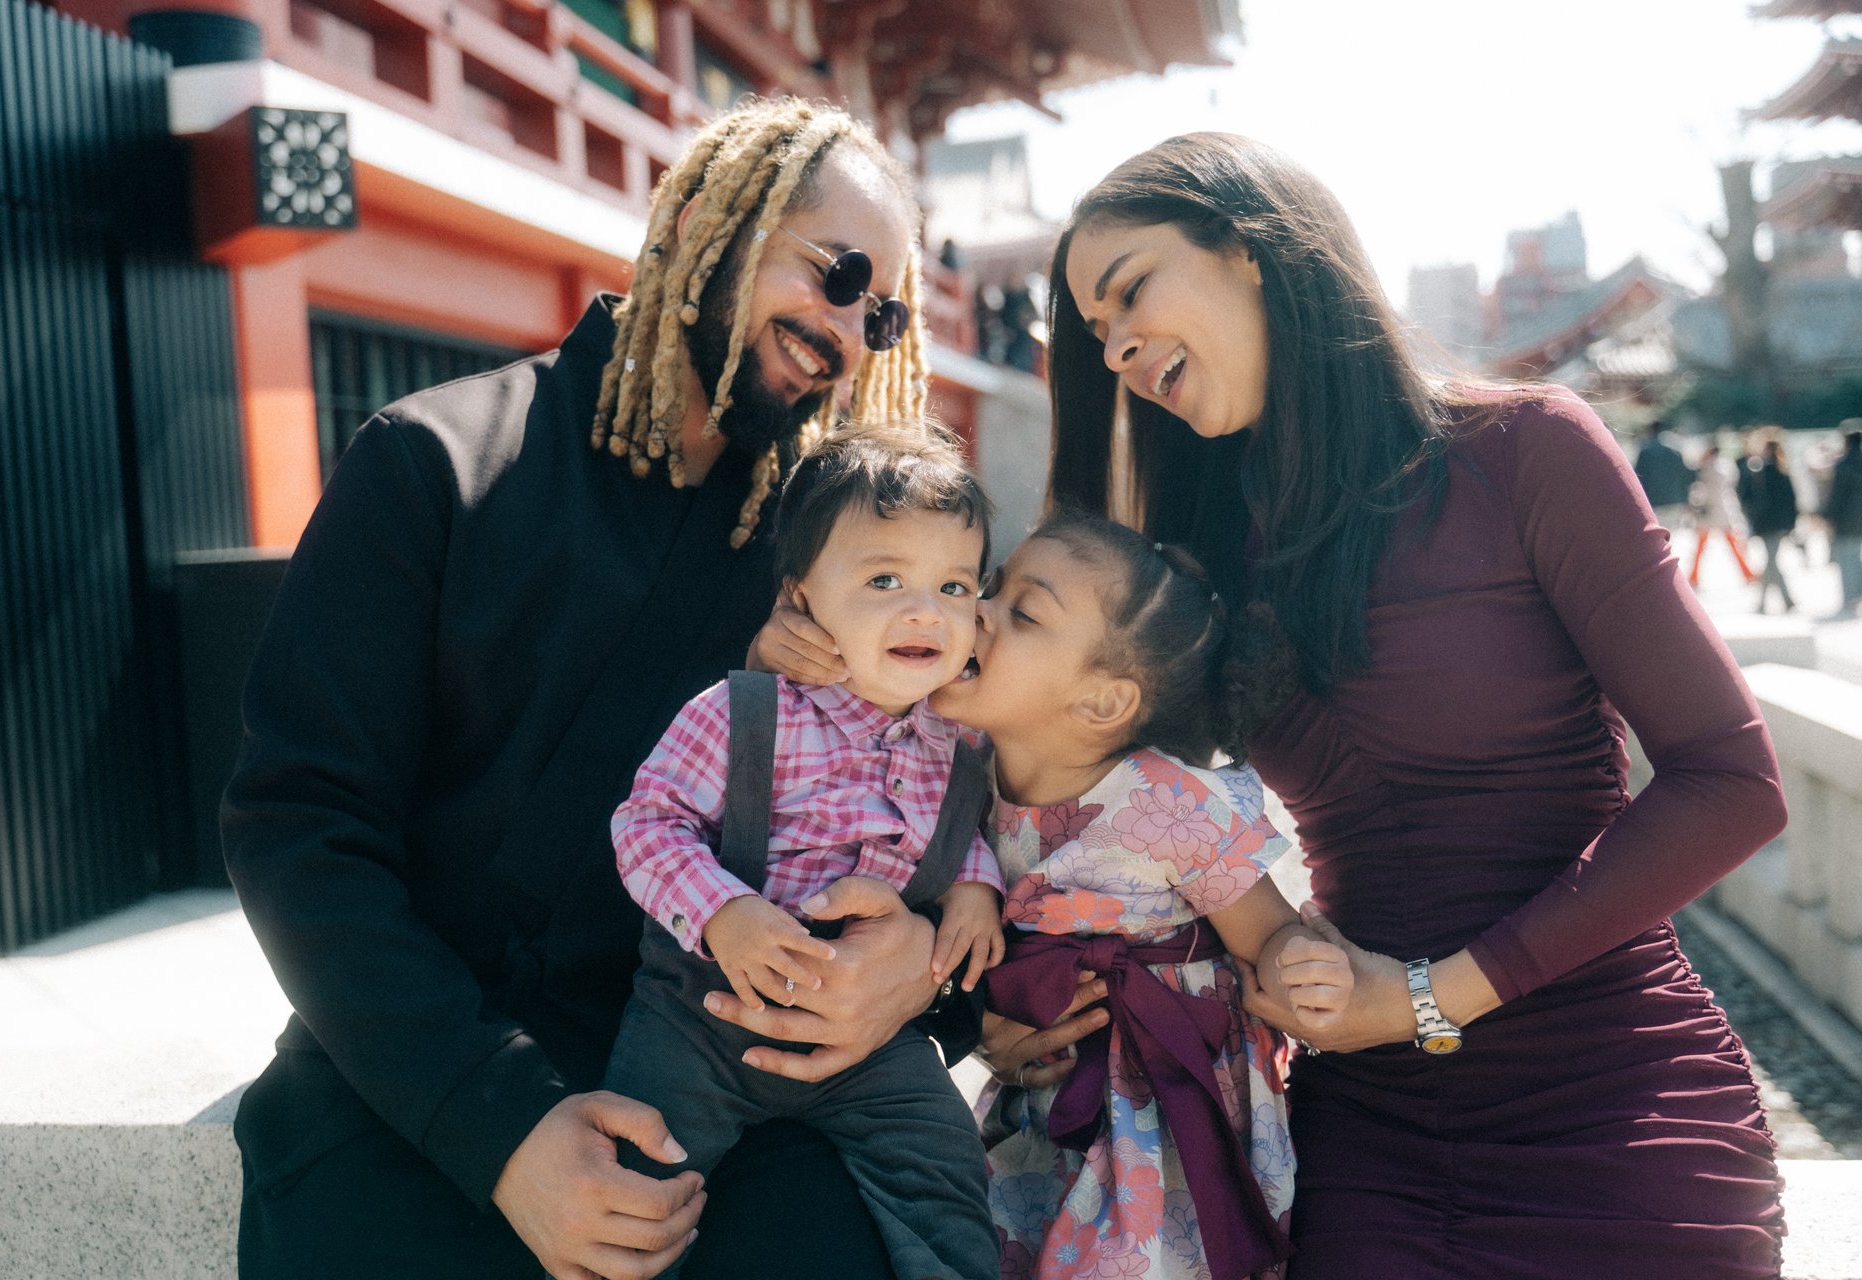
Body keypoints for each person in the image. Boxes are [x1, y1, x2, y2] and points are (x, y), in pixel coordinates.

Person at [221, 97, 970, 1280]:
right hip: (420, 1089)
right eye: (834, 274)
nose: (846, 330)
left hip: (724, 1088)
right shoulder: (433, 461)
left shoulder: (832, 568)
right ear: (705, 222)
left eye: (877, 313)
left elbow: (965, 797)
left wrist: (918, 973)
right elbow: (298, 825)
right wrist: (503, 1126)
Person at [1015, 132, 1787, 1277]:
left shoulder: (1525, 451)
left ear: (1249, 248)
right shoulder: (1202, 561)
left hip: (1612, 1088)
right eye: (1096, 332)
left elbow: (1732, 781)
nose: (1117, 346)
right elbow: (1105, 802)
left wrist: (1431, 997)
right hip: (1370, 1116)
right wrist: (1026, 991)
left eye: (1131, 291)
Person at [605, 422, 1003, 1280]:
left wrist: (976, 889)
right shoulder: (745, 712)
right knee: (639, 1188)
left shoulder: (960, 745)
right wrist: (724, 910)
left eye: (954, 585)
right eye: (884, 579)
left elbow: (959, 835)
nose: (924, 610)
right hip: (702, 1017)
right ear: (800, 599)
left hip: (871, 1042)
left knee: (948, 1165)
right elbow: (646, 824)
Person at [929, 511, 1352, 1280]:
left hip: (1168, 1108)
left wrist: (1301, 964)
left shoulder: (1164, 802)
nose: (978, 611)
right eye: (990, 587)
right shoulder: (957, 763)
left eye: (1023, 612)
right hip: (1048, 1093)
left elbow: (1268, 933)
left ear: (1101, 703)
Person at [1737, 429, 1800, 614]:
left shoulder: (1761, 470)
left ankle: (1774, 602)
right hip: (1781, 523)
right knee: (1771, 561)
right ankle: (1776, 602)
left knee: (1771, 562)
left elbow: (1749, 497)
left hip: (1766, 523)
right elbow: (1792, 500)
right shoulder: (1783, 469)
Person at [1690, 442, 1759, 589]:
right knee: (1733, 545)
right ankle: (1748, 574)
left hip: (1710, 512)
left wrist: (1696, 505)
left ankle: (1693, 576)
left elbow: (1703, 491)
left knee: (1701, 548)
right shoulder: (1726, 465)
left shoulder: (1707, 468)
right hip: (1724, 510)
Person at [1824, 428, 1862, 619]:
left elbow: (1837, 496)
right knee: (1856, 559)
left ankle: (1850, 599)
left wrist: (1829, 516)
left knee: (1847, 560)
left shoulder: (1843, 465)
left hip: (1847, 519)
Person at [1631, 418, 1694, 531]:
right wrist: (1686, 499)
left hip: (1653, 500)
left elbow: (1638, 477)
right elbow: (1685, 476)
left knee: (1658, 533)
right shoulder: (1674, 450)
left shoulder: (1645, 451)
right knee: (1671, 532)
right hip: (1673, 499)